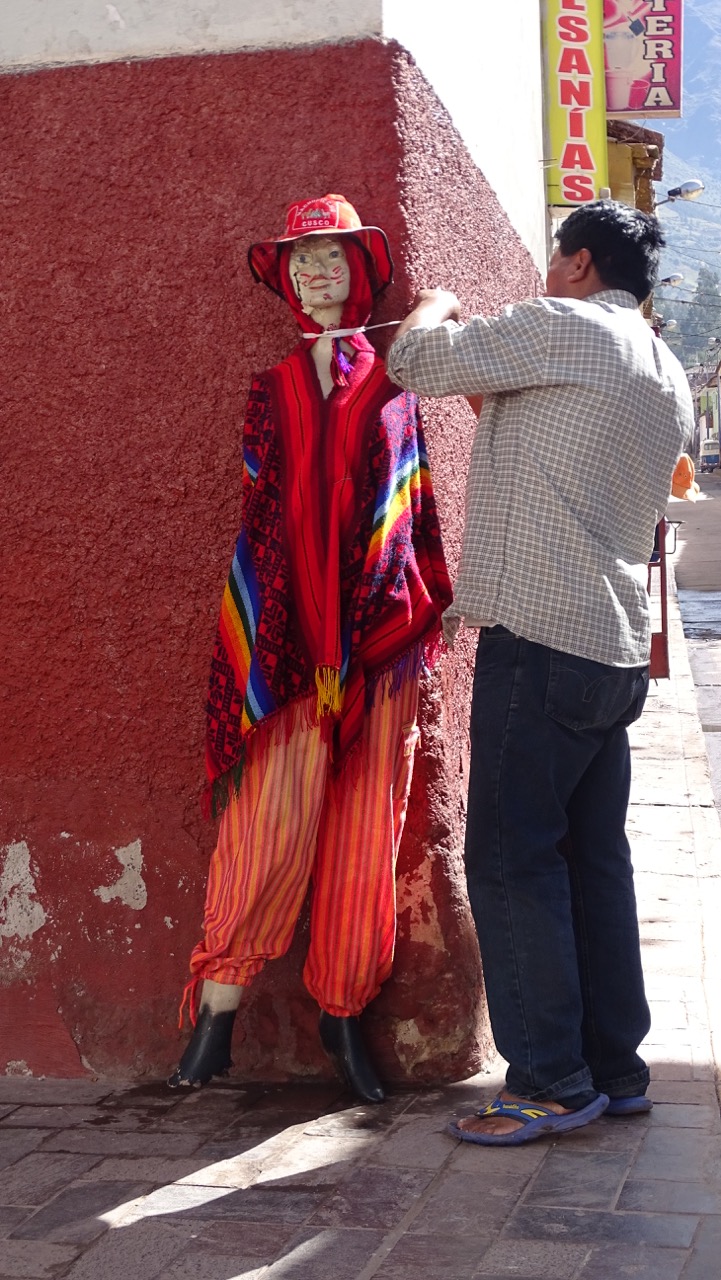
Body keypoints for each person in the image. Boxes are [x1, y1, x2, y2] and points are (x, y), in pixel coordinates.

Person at [385, 200, 694, 1145]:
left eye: (552, 255)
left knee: (513, 862)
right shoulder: (664, 368)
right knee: (592, 860)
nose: (543, 270)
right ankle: (614, 1066)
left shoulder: (558, 325)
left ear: (579, 265)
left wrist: (433, 301)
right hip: (609, 645)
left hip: (539, 636)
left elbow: (413, 364)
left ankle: (549, 1083)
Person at [168, 194, 452, 1102]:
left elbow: (402, 510)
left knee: (366, 837)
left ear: (361, 270)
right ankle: (215, 1013)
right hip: (290, 647)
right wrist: (287, 626)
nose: (314, 272)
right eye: (300, 261)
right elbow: (265, 515)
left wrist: (366, 625)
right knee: (266, 827)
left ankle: (342, 1021)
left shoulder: (395, 380)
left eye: (330, 257)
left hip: (378, 642)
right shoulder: (272, 388)